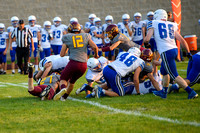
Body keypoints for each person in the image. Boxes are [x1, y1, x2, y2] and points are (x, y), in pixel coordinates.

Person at [144, 9, 198, 99]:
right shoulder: (172, 24)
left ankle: (191, 92)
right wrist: (188, 52)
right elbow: (182, 40)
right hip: (174, 50)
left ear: (157, 16)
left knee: (174, 75)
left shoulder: (153, 23)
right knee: (164, 71)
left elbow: (147, 39)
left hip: (166, 51)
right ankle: (164, 92)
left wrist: (146, 44)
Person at [53, 22, 99, 101]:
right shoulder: (85, 36)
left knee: (63, 78)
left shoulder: (67, 37)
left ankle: (63, 89)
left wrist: (67, 46)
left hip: (73, 63)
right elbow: (95, 47)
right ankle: (64, 97)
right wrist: (95, 55)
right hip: (84, 65)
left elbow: (62, 54)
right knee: (72, 82)